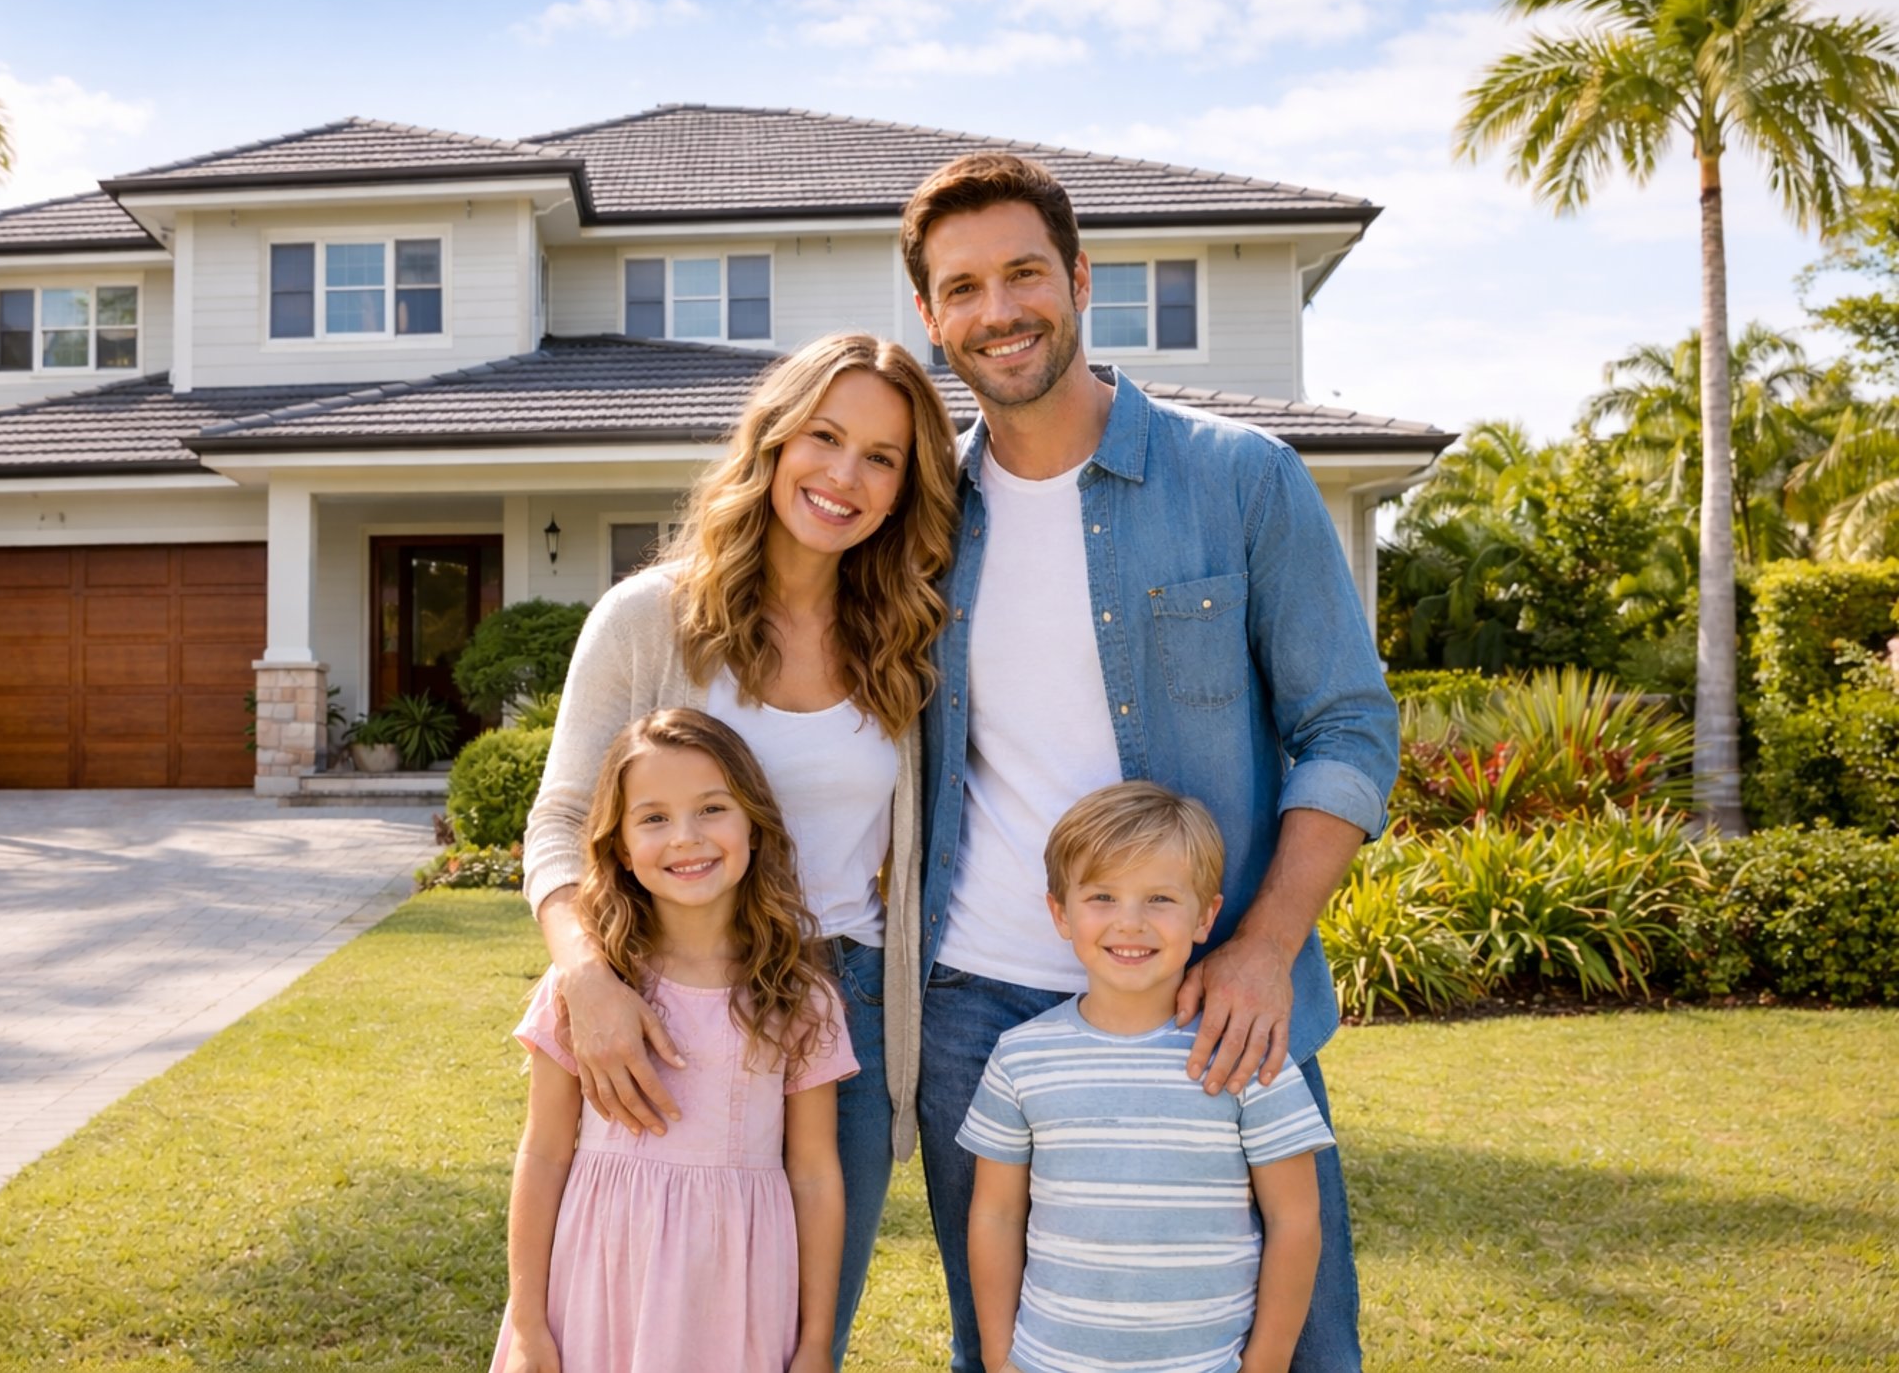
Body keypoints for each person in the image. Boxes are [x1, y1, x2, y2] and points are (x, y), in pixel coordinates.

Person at [903, 152, 1400, 1373]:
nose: (998, 310)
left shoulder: (1237, 479)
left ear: (1079, 279)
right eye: (961, 287)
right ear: (929, 316)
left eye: (1024, 272)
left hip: (1207, 1002)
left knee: (1288, 1344)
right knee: (1014, 1348)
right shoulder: (914, 518)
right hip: (977, 1008)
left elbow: (1349, 724)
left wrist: (1263, 949)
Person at [521, 331, 958, 1365]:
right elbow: (558, 822)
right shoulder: (649, 619)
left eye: (882, 457)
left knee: (798, 1336)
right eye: (825, 436)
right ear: (772, 442)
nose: (845, 476)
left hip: (837, 1009)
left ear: (905, 488)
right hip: (665, 1010)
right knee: (626, 1304)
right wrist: (586, 979)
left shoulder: (907, 638)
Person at [492, 708, 856, 1373]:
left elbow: (814, 1173)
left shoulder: (799, 997)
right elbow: (543, 1154)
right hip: (600, 1283)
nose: (686, 838)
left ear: (754, 822)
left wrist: (813, 1341)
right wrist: (526, 1325)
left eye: (712, 807)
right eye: (654, 817)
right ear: (622, 847)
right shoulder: (589, 988)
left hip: (736, 1293)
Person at [962, 782, 1332, 1373]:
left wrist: (1264, 1365)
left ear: (1206, 916)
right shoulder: (1020, 1058)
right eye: (1102, 897)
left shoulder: (1242, 1052)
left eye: (1159, 899)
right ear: (1060, 913)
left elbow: (1295, 1220)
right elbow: (996, 1216)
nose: (1129, 923)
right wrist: (999, 1357)